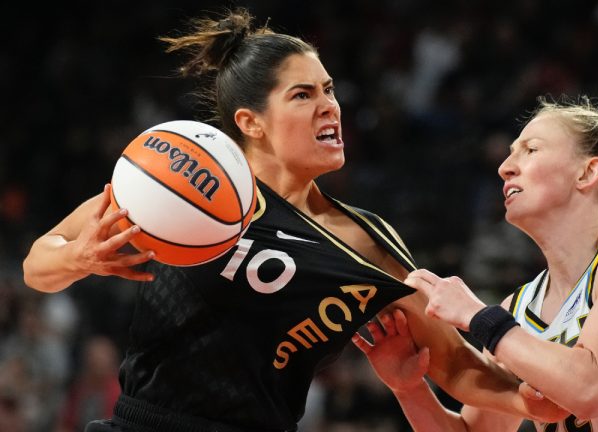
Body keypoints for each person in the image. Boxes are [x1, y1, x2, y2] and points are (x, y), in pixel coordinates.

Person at [22, 8, 566, 432]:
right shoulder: (180, 180)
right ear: (251, 123)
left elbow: (449, 362)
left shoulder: (365, 242)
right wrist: (77, 257)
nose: (330, 106)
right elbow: (37, 265)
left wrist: (531, 396)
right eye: (303, 95)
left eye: (329, 90)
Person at [354, 93, 598, 431]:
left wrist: (479, 318)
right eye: (511, 153)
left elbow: (588, 389)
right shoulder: (519, 308)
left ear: (587, 173)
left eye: (530, 150)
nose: (505, 168)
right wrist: (408, 388)